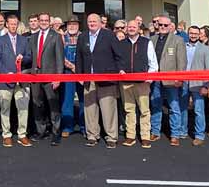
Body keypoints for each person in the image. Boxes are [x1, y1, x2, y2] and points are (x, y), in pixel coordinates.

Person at [77, 13, 125, 148]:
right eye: (89, 21)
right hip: (88, 78)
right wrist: (80, 75)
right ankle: (92, 135)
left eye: (94, 21)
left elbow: (119, 55)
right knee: (90, 109)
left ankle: (111, 137)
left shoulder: (108, 35)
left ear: (100, 23)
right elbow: (79, 58)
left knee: (108, 109)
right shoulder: (83, 36)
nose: (92, 23)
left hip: (106, 79)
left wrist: (119, 70)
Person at [0, 15, 32, 147]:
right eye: (11, 24)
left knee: (23, 108)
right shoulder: (0, 40)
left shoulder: (24, 40)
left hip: (21, 80)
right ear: (7, 25)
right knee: (5, 108)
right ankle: (7, 134)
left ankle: (22, 134)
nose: (13, 26)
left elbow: (29, 57)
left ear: (18, 25)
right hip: (5, 80)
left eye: (15, 24)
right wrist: (6, 73)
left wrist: (24, 58)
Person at [118, 20, 157, 148]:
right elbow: (117, 61)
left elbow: (153, 63)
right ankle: (130, 136)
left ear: (138, 28)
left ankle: (145, 136)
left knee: (144, 111)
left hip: (142, 83)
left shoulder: (147, 42)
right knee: (129, 110)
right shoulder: (121, 43)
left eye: (134, 27)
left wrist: (149, 79)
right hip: (126, 83)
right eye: (129, 27)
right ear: (126, 29)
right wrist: (120, 70)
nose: (131, 29)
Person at [28, 12, 63, 145]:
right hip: (35, 77)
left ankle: (55, 133)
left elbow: (60, 59)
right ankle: (41, 131)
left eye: (45, 20)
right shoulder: (33, 37)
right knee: (37, 105)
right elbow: (30, 57)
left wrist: (58, 77)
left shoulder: (56, 36)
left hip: (50, 77)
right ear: (38, 21)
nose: (43, 22)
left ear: (49, 22)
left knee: (53, 105)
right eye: (41, 20)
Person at [156, 16, 188, 146]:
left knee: (174, 107)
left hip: (171, 80)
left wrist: (179, 78)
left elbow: (182, 61)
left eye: (165, 25)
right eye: (160, 25)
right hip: (155, 80)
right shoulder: (152, 39)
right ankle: (155, 131)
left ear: (170, 26)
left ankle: (175, 134)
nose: (163, 27)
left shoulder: (178, 40)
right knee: (155, 106)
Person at [59, 16, 85, 138]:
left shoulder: (84, 37)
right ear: (67, 26)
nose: (72, 26)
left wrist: (79, 68)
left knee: (84, 100)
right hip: (67, 73)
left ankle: (84, 126)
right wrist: (72, 67)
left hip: (82, 73)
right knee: (67, 100)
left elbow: (87, 55)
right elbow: (59, 56)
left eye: (74, 24)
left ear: (78, 26)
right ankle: (67, 127)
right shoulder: (62, 38)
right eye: (70, 24)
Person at [185, 26, 209, 145]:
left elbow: (208, 69)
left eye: (195, 33)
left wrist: (206, 85)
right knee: (182, 108)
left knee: (199, 110)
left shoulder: (205, 49)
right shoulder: (183, 47)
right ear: (188, 34)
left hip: (198, 84)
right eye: (191, 33)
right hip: (183, 82)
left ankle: (199, 135)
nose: (193, 35)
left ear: (199, 35)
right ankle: (182, 131)